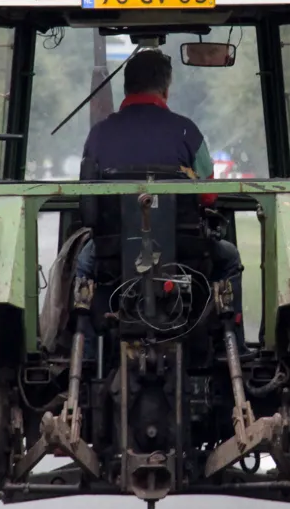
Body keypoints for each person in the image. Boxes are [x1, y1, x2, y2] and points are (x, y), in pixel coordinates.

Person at [73, 49, 247, 354]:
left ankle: (85, 354)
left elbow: (88, 197)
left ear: (126, 89)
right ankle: (230, 347)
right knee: (229, 258)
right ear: (166, 90)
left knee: (85, 262)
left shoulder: (99, 135)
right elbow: (208, 195)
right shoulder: (187, 132)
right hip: (184, 251)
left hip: (113, 250)